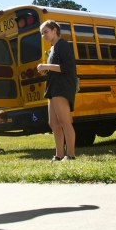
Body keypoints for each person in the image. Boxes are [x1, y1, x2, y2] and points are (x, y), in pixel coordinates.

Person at [37, 20, 78, 161]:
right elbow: (56, 68)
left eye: (46, 32)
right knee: (53, 123)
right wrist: (46, 69)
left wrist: (45, 66)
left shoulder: (63, 45)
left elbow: (67, 67)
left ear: (55, 30)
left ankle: (70, 155)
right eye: (42, 34)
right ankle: (59, 155)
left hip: (62, 87)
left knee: (64, 121)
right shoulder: (53, 48)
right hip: (52, 88)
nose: (44, 35)